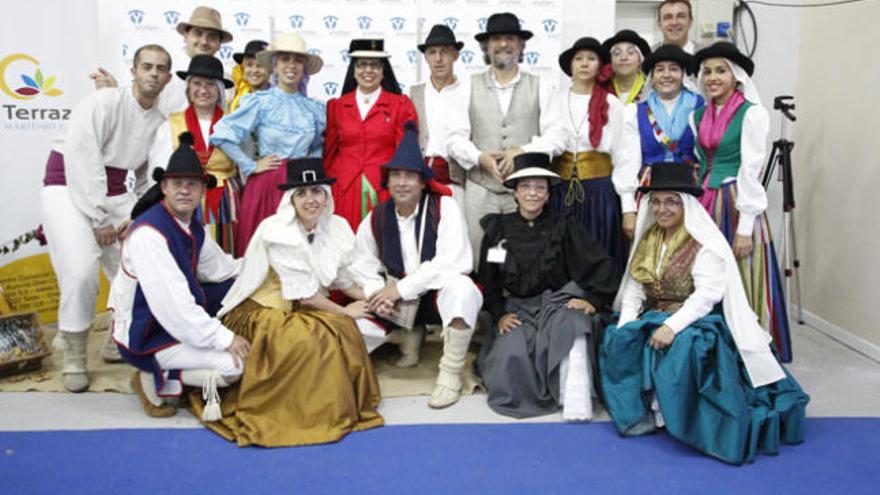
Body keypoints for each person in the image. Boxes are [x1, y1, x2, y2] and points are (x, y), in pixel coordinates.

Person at [599, 162, 808, 464]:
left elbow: (706, 296)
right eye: (656, 201)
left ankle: (685, 418)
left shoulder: (704, 243)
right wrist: (627, 324)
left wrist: (672, 325)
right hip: (653, 314)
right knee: (616, 336)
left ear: (686, 204)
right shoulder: (649, 238)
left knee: (687, 347)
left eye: (671, 201)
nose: (662, 209)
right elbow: (634, 289)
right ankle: (643, 411)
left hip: (694, 319)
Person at [193, 158, 383, 447]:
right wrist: (345, 310)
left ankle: (319, 407)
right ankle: (300, 414)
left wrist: (375, 297)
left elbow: (341, 279)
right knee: (310, 342)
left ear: (326, 195)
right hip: (262, 312)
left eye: (316, 192)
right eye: (302, 194)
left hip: (301, 308)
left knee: (340, 333)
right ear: (290, 199)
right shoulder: (277, 230)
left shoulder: (336, 227)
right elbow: (305, 296)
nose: (311, 200)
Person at [40, 44, 172, 392]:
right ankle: (74, 353)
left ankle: (119, 335)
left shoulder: (159, 123)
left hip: (113, 194)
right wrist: (100, 219)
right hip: (65, 186)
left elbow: (150, 179)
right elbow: (82, 158)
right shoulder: (104, 102)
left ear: (168, 78)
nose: (154, 73)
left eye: (160, 68)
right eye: (147, 66)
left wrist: (134, 214)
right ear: (134, 71)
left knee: (140, 263)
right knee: (82, 270)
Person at [110, 132, 246, 420]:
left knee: (233, 289)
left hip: (174, 321)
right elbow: (173, 307)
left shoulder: (191, 225)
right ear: (164, 188)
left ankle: (178, 366)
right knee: (234, 366)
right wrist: (224, 338)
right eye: (177, 184)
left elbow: (223, 269)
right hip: (147, 333)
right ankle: (152, 372)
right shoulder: (149, 234)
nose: (184, 190)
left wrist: (266, 264)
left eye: (192, 184)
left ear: (202, 191)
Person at [349, 123, 482, 409]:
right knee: (355, 329)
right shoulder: (377, 217)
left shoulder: (445, 208)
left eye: (410, 175)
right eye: (396, 175)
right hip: (397, 304)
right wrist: (377, 292)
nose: (402, 182)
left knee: (463, 289)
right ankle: (406, 335)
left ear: (422, 182)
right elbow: (360, 262)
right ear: (388, 181)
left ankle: (450, 373)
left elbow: (454, 260)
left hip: (433, 297)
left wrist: (402, 288)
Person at [477, 153, 618, 420]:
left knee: (575, 326)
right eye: (526, 186)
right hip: (517, 310)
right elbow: (489, 282)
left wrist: (594, 301)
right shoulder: (497, 229)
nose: (533, 193)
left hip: (557, 305)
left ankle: (573, 398)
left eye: (539, 187)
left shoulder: (564, 226)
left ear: (548, 194)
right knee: (511, 355)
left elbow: (599, 265)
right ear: (515, 192)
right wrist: (499, 315)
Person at [690, 42, 792, 361]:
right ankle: (712, 350)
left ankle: (751, 351)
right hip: (704, 200)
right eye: (707, 71)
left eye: (720, 70)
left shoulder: (752, 113)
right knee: (706, 272)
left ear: (735, 76)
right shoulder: (698, 114)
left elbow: (751, 169)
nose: (712, 77)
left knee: (744, 270)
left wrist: (746, 226)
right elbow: (699, 160)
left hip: (735, 201)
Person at [447, 12, 563, 268]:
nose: (503, 44)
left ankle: (522, 305)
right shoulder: (467, 84)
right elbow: (454, 138)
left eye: (510, 38)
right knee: (478, 254)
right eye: (496, 38)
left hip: (524, 190)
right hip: (480, 188)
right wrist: (480, 158)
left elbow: (557, 136)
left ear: (521, 46)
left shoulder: (541, 84)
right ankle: (481, 305)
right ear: (486, 46)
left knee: (523, 256)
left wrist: (521, 152)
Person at [211, 32, 325, 257]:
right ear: (274, 65)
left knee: (300, 254)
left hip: (301, 187)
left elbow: (320, 145)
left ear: (304, 67)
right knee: (263, 254)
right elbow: (222, 133)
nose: (291, 65)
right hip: (267, 184)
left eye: (297, 60)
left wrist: (310, 168)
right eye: (285, 59)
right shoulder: (260, 102)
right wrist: (250, 165)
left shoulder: (314, 108)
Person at [541, 37, 641, 275]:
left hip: (599, 193)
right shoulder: (553, 101)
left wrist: (628, 208)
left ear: (600, 66)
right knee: (560, 252)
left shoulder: (612, 105)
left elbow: (625, 156)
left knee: (597, 249)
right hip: (560, 191)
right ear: (570, 66)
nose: (584, 64)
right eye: (579, 59)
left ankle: (597, 304)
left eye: (591, 59)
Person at [148, 55, 240, 254]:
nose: (203, 90)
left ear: (219, 90)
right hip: (184, 197)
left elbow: (244, 166)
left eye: (210, 84)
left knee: (226, 253)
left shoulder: (235, 124)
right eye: (197, 84)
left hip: (225, 200)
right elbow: (157, 170)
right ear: (188, 88)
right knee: (185, 252)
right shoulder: (170, 125)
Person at [324, 37, 418, 231]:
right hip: (344, 189)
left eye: (375, 65)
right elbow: (329, 153)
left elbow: (405, 153)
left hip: (383, 188)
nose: (368, 70)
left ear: (383, 71)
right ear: (354, 70)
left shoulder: (400, 105)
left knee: (382, 243)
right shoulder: (337, 106)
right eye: (362, 65)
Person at [91, 6, 232, 117]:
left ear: (219, 44)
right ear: (185, 36)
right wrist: (113, 93)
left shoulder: (228, 83)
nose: (204, 41)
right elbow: (136, 110)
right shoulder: (163, 71)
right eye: (198, 33)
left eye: (212, 37)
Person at [409, 24, 468, 205]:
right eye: (432, 52)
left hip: (456, 182)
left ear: (455, 56)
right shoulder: (414, 93)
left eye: (444, 52)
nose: (438, 58)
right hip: (419, 183)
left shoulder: (468, 92)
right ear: (426, 58)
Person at [636, 44, 704, 188]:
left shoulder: (700, 106)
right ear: (652, 77)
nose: (666, 75)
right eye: (660, 70)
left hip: (690, 185)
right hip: (651, 187)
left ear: (683, 75)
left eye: (673, 69)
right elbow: (629, 159)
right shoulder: (636, 111)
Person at [603, 30, 652, 105]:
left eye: (631, 52)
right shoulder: (601, 90)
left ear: (640, 60)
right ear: (610, 61)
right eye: (617, 53)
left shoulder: (652, 90)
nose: (623, 57)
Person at [229, 40, 270, 112]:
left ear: (270, 69)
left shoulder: (277, 99)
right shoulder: (236, 97)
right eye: (249, 65)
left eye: (260, 65)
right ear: (243, 68)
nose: (254, 70)